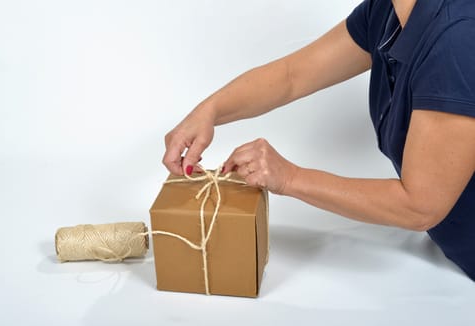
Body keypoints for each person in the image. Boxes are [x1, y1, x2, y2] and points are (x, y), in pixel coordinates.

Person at [162, 0, 475, 280]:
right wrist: (209, 111)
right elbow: (291, 76)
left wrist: (289, 178)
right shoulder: (388, 12)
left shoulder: (458, 38)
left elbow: (419, 207)